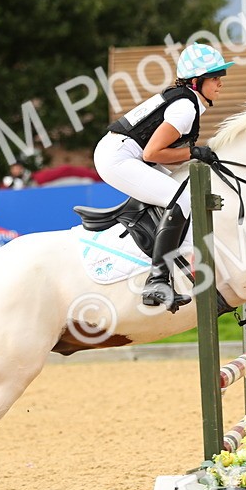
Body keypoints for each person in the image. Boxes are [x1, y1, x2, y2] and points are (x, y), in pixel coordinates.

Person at [94, 42, 231, 311]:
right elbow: (153, 153)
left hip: (123, 152)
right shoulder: (185, 108)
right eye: (215, 78)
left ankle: (195, 278)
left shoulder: (185, 100)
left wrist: (195, 154)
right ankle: (157, 280)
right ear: (196, 81)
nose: (220, 83)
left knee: (186, 191)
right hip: (117, 158)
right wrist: (194, 152)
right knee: (179, 200)